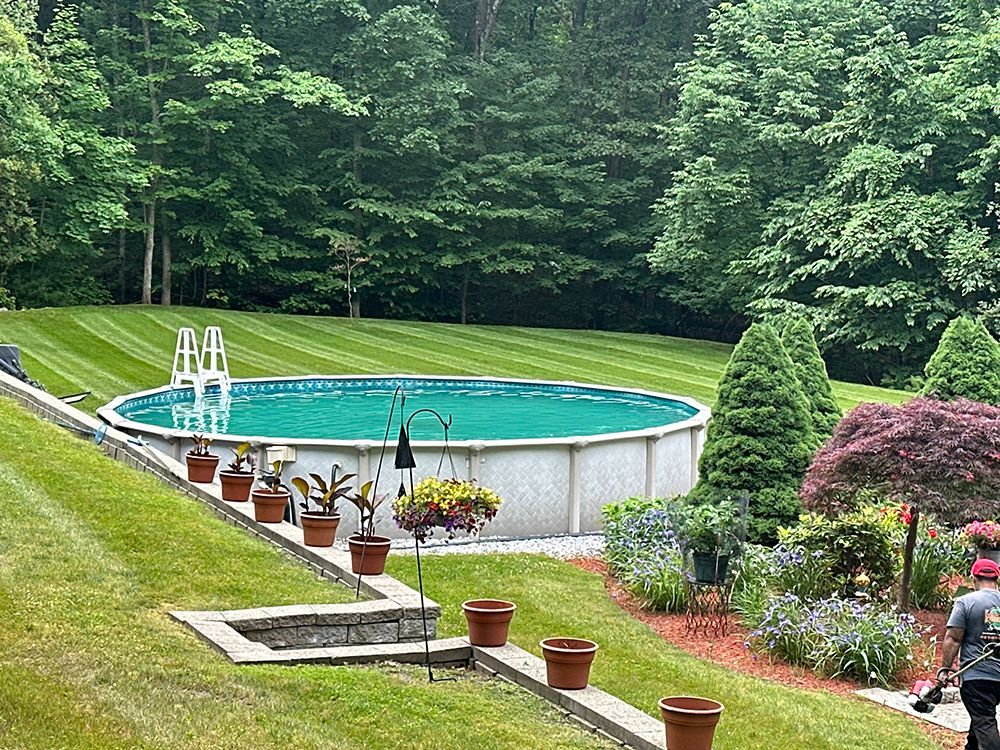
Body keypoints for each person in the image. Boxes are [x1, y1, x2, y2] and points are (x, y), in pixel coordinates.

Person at [942, 558, 1000, 750]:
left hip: (977, 677)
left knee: (984, 722)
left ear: (974, 578)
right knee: (980, 723)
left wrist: (945, 669)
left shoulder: (966, 602)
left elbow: (953, 638)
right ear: (996, 578)